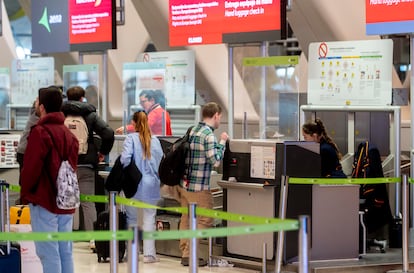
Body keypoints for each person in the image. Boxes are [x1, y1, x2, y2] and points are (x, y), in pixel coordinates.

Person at [20, 86, 79, 273]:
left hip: (44, 200)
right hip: (66, 201)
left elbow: (31, 168)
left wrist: (26, 194)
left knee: (48, 252)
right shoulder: (69, 134)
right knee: (65, 251)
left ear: (42, 106)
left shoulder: (39, 132)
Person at [61, 86, 115, 250]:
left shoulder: (60, 114)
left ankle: (65, 238)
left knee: (66, 203)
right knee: (89, 202)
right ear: (82, 98)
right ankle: (93, 240)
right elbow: (108, 133)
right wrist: (102, 152)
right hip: (86, 164)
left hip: (66, 164)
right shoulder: (90, 115)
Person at [176, 102, 229, 267]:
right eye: (220, 116)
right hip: (200, 187)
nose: (220, 120)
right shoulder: (208, 134)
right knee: (205, 219)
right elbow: (215, 160)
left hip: (185, 185)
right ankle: (189, 254)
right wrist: (222, 142)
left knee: (186, 218)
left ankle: (185, 252)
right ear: (215, 115)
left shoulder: (193, 130)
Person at [120, 111, 164, 263]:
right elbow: (160, 163)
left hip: (133, 184)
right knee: (149, 218)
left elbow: (125, 160)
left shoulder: (130, 139)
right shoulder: (156, 141)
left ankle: (132, 253)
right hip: (151, 184)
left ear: (133, 123)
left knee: (131, 218)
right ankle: (149, 255)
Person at [16, 98, 40, 185]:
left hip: (23, 151)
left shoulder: (33, 114)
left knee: (24, 180)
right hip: (25, 152)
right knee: (26, 181)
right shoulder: (37, 117)